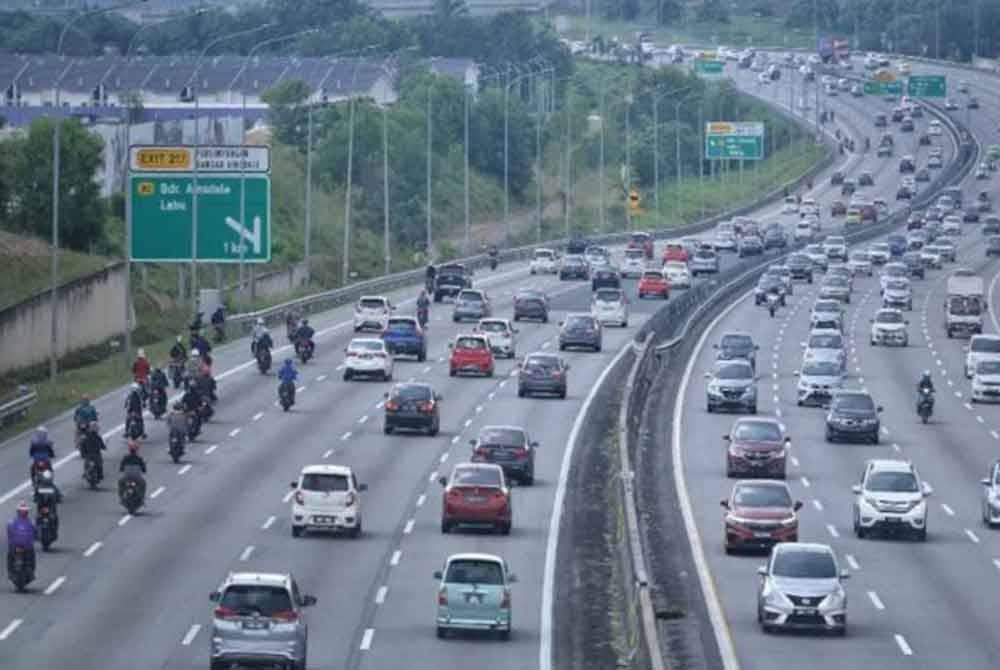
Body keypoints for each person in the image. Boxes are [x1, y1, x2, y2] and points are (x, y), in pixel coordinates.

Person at [6, 502, 36, 576]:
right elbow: (9, 532)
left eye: (24, 511)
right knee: (10, 556)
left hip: (26, 546)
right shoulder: (12, 521)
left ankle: (30, 571)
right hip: (15, 545)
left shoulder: (30, 522)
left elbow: (35, 531)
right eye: (21, 511)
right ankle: (10, 571)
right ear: (18, 512)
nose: (23, 512)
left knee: (31, 556)